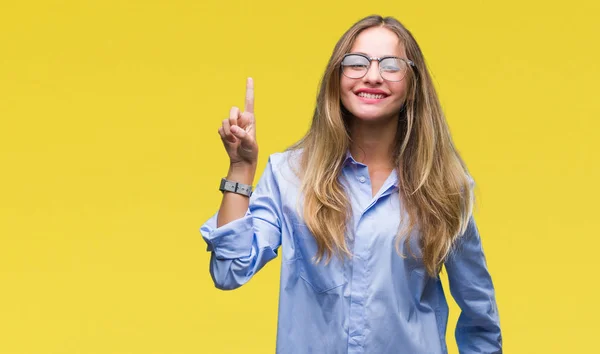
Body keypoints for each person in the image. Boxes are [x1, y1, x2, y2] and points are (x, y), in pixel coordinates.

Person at [200, 15, 502, 354]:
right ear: (337, 78)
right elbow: (229, 270)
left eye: (391, 65)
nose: (372, 76)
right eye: (356, 63)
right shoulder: (289, 175)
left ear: (413, 82)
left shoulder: (445, 186)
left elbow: (481, 319)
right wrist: (240, 168)